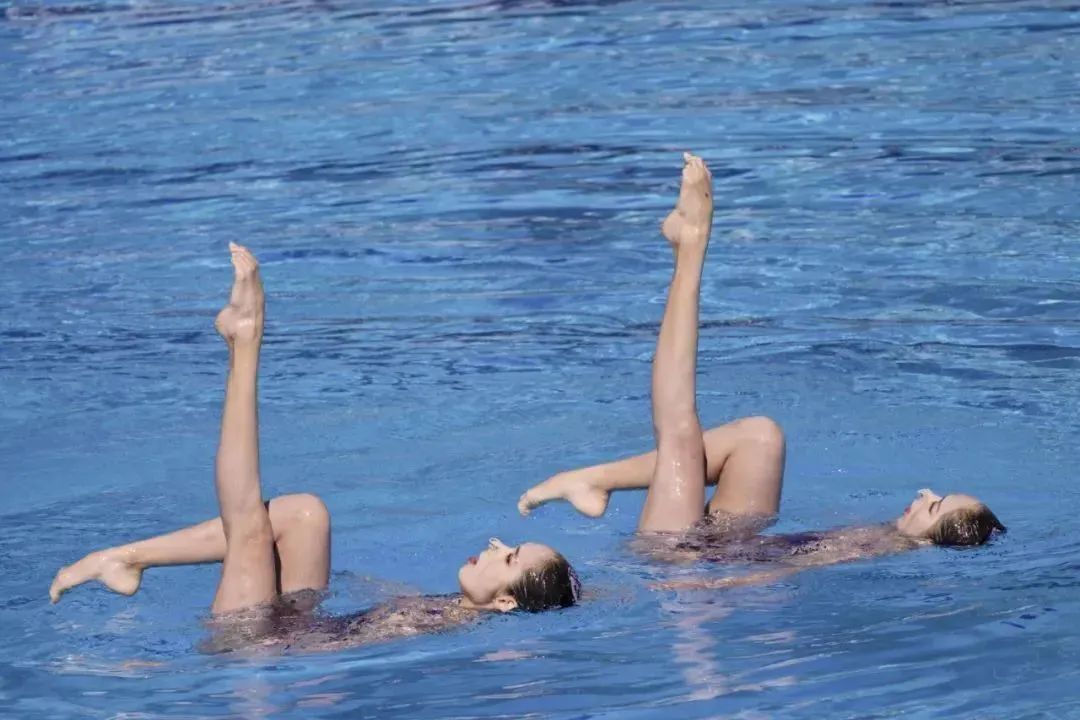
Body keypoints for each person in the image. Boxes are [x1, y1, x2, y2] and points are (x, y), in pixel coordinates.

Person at [50, 243, 578, 650]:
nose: (495, 545)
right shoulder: (452, 609)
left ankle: (245, 340)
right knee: (305, 513)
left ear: (505, 602)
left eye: (508, 557)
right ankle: (125, 559)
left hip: (254, 646)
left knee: (249, 526)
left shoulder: (450, 631)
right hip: (296, 624)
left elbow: (332, 661)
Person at [518, 152, 1005, 589]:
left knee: (680, 427)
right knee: (759, 435)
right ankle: (594, 479)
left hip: (682, 559)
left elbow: (776, 574)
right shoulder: (882, 535)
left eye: (934, 505)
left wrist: (700, 593)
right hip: (725, 543)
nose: (925, 492)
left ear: (930, 540)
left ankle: (692, 248)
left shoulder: (878, 550)